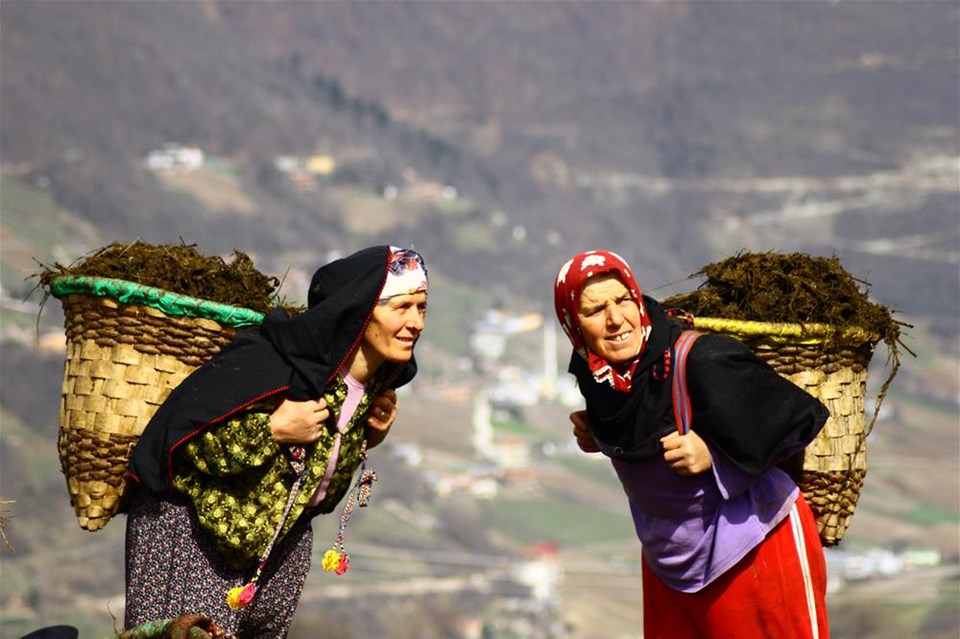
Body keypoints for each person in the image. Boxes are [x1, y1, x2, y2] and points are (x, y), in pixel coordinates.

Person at [124, 245, 429, 638]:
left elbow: (320, 496)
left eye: (421, 308)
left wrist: (370, 437)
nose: (415, 322)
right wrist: (270, 431)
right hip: (191, 539)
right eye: (401, 307)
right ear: (361, 310)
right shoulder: (279, 367)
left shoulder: (371, 393)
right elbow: (187, 442)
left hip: (270, 559)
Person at [553, 250, 831, 639]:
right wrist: (597, 435)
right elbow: (640, 429)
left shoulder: (701, 360)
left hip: (754, 551)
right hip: (670, 563)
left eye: (622, 300)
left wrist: (715, 458)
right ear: (573, 325)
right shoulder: (599, 377)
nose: (615, 319)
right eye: (595, 310)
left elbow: (795, 418)